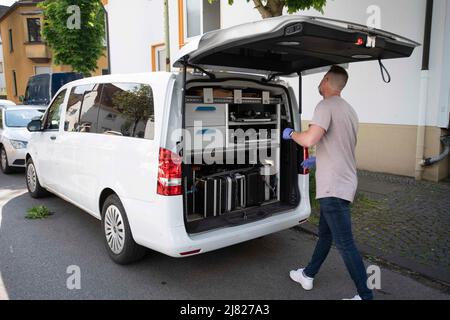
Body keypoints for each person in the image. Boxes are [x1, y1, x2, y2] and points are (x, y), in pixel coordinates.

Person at [282, 65, 373, 301]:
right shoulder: (349, 110)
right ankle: (308, 275)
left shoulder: (325, 106)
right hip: (344, 182)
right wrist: (317, 159)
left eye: (322, 79)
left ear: (325, 80)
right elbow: (338, 144)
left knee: (346, 243)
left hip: (332, 187)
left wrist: (291, 133)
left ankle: (365, 296)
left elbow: (309, 138)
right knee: (326, 235)